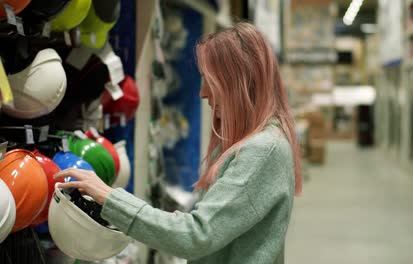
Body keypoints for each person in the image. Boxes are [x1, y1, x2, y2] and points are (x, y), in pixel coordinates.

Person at [54, 22, 302, 264]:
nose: (202, 92)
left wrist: (109, 198)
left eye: (209, 80)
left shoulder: (262, 151)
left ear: (238, 82)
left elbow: (196, 235)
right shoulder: (252, 142)